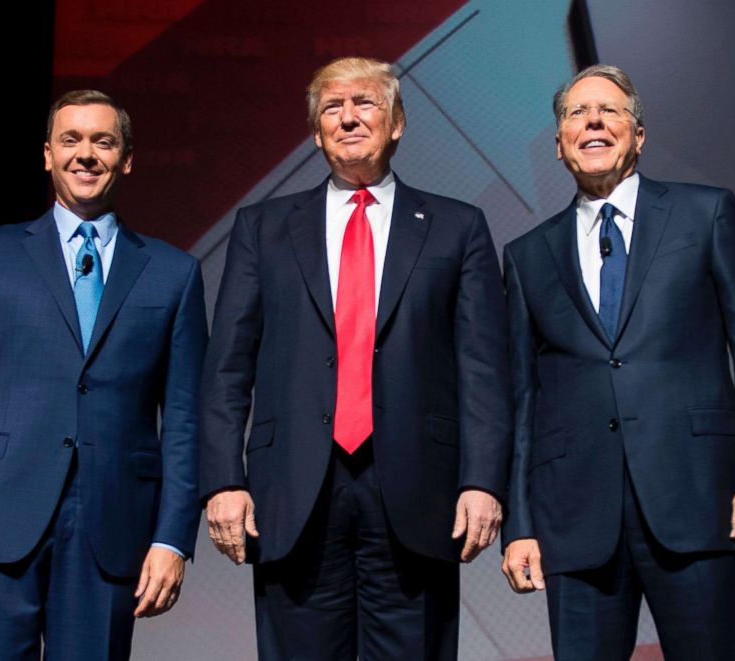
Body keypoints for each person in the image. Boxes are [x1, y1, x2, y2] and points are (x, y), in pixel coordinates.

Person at [199, 56, 510, 660]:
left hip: (421, 491)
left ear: (396, 122)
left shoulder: (456, 227)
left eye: (363, 102)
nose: (347, 118)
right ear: (316, 133)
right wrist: (222, 481)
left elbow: (484, 370)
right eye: (331, 108)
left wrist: (482, 480)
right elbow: (227, 367)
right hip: (291, 492)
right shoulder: (262, 228)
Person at [500, 64, 735, 660]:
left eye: (610, 111)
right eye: (576, 114)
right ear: (559, 145)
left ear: (639, 135)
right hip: (575, 522)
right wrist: (520, 523)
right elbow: (523, 400)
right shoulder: (526, 256)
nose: (594, 121)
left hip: (697, 501)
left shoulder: (704, 214)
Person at [0, 89, 207, 660]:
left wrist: (173, 537)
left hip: (111, 527)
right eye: (70, 140)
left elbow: (184, 419)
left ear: (126, 158)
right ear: (46, 154)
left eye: (104, 141)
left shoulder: (174, 274)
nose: (86, 154)